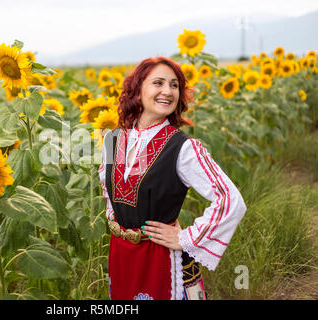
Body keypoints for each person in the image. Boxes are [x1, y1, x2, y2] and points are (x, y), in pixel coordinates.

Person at [98, 57, 247, 300]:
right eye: (158, 83)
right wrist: (117, 221)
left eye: (174, 85)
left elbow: (230, 200)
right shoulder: (113, 140)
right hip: (122, 254)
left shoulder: (183, 147)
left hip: (161, 259)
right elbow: (109, 190)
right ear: (138, 89)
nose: (168, 91)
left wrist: (187, 238)